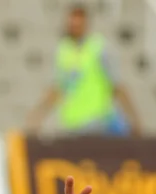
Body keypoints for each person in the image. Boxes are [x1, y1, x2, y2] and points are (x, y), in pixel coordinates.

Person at [26, 4, 141, 137]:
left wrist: (134, 119)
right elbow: (57, 90)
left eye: (78, 23)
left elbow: (117, 87)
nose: (75, 27)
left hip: (98, 122)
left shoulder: (99, 48)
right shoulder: (63, 50)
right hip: (72, 125)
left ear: (86, 24)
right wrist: (37, 117)